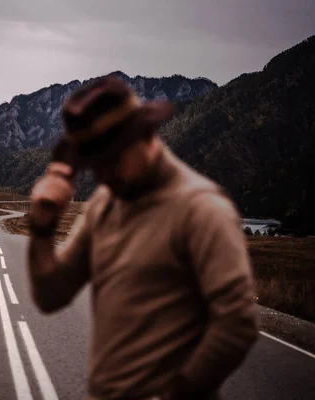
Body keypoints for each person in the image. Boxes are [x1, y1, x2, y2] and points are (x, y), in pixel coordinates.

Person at [27, 76, 259, 400]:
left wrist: (179, 392)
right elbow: (51, 295)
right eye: (95, 165)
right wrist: (42, 225)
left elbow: (237, 323)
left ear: (146, 136)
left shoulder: (201, 209)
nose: (103, 175)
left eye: (112, 159)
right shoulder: (105, 205)